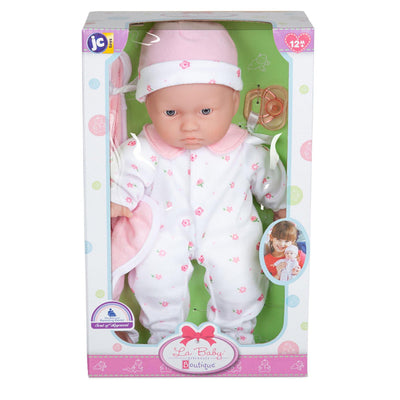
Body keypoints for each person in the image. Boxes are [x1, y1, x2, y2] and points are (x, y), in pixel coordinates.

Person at [110, 21, 286, 345]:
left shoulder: (245, 149)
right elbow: (126, 171)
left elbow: (269, 176)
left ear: (234, 102)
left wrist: (282, 205)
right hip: (164, 231)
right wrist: (119, 198)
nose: (189, 125)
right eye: (171, 112)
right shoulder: (144, 148)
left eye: (206, 111)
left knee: (241, 279)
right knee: (154, 278)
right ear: (148, 104)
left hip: (230, 231)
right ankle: (163, 337)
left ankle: (237, 337)